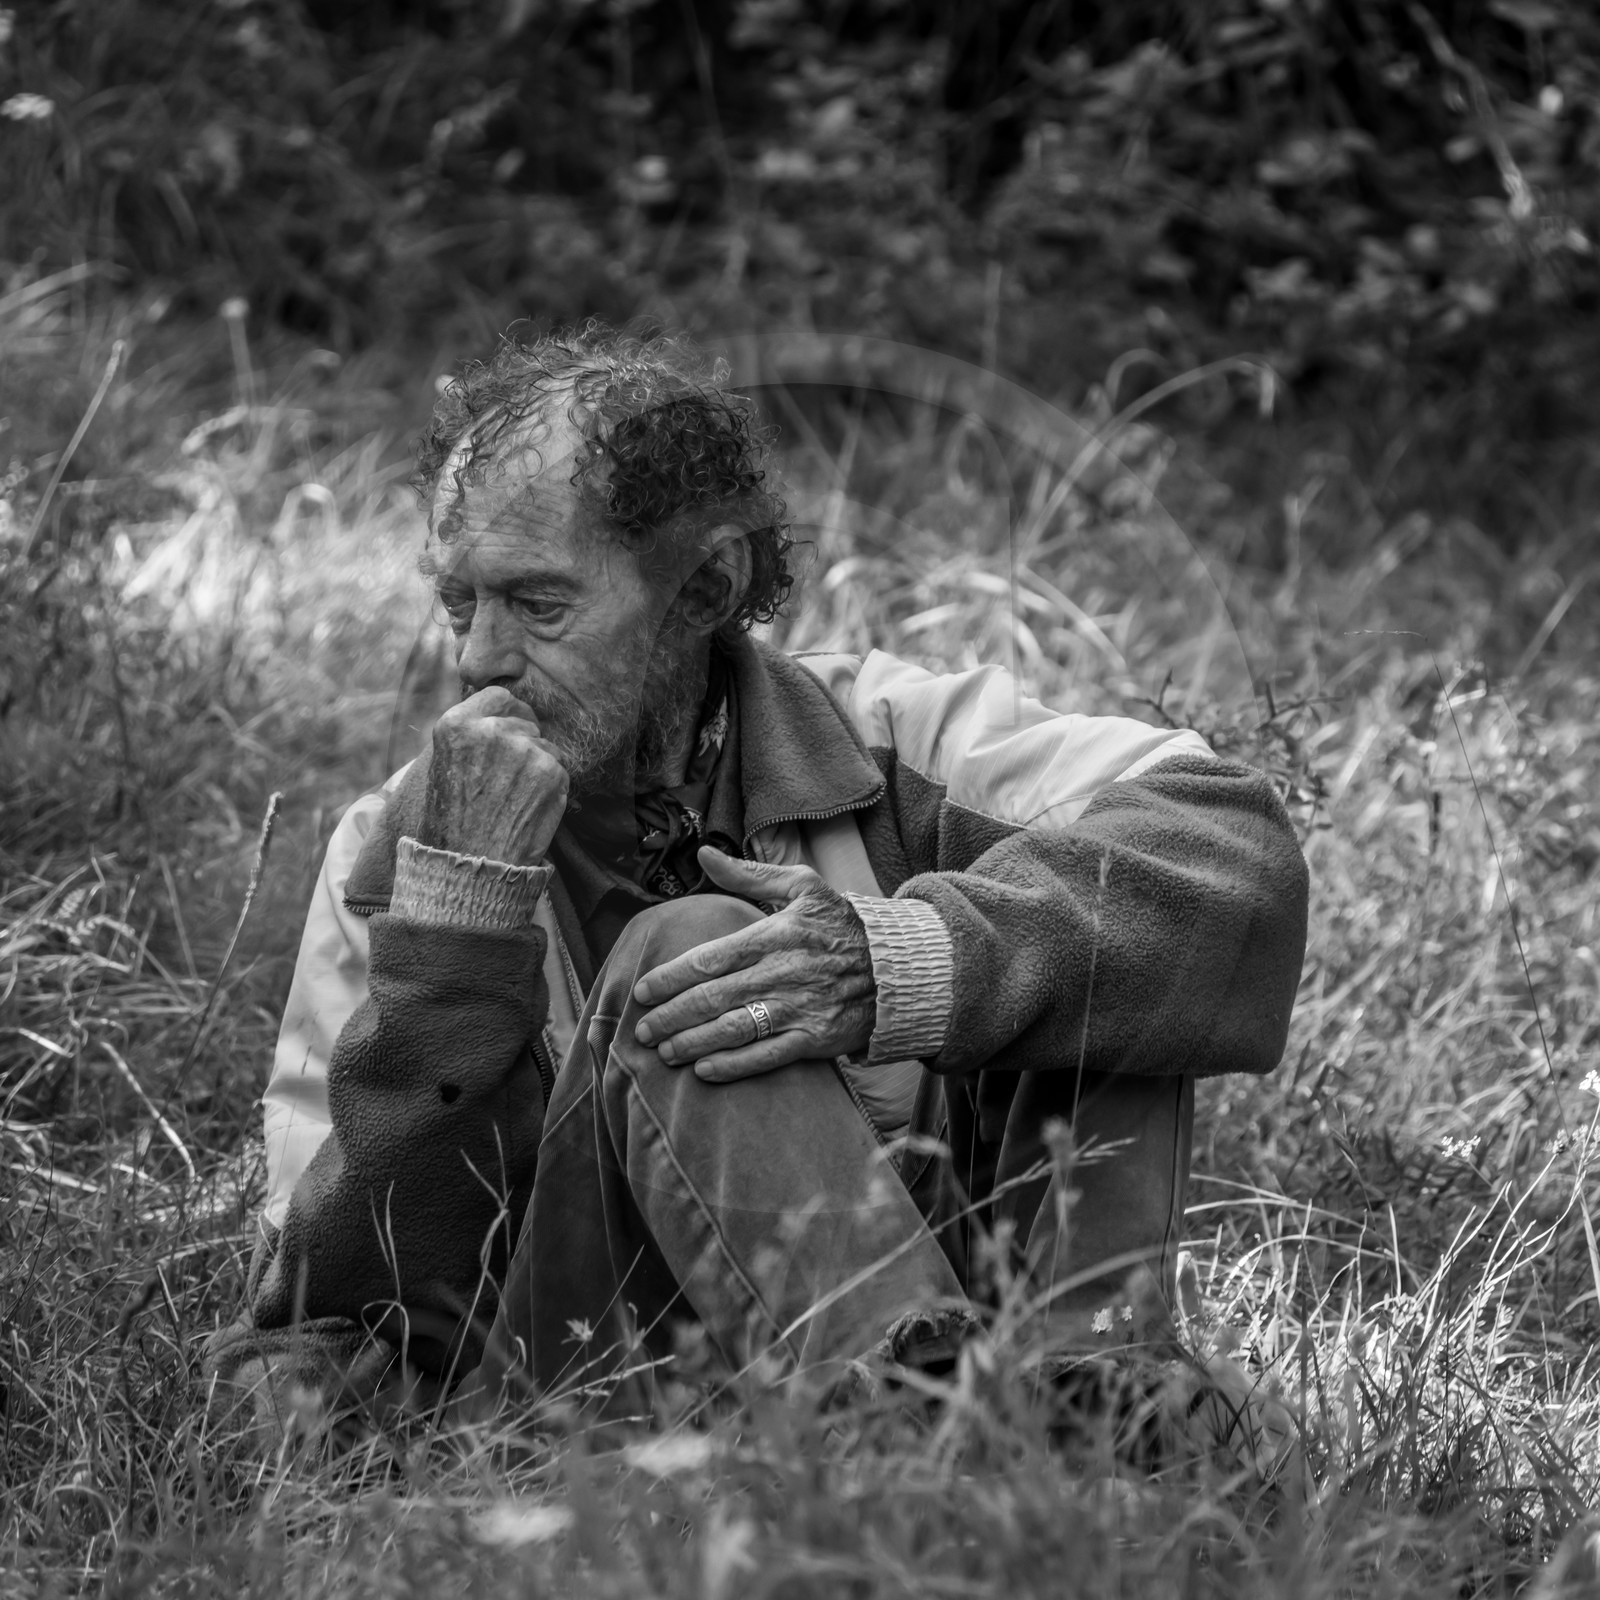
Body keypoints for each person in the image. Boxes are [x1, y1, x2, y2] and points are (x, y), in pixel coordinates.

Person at [208, 325, 1309, 1436]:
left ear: (702, 589)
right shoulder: (390, 854)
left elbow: (1228, 844)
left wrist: (910, 963)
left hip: (965, 1330)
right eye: (458, 602)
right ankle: (961, 1474)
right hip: (587, 1405)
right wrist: (455, 933)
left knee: (1098, 932)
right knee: (690, 949)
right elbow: (329, 1319)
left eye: (538, 605)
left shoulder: (897, 739)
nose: (476, 659)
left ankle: (1093, 1420)